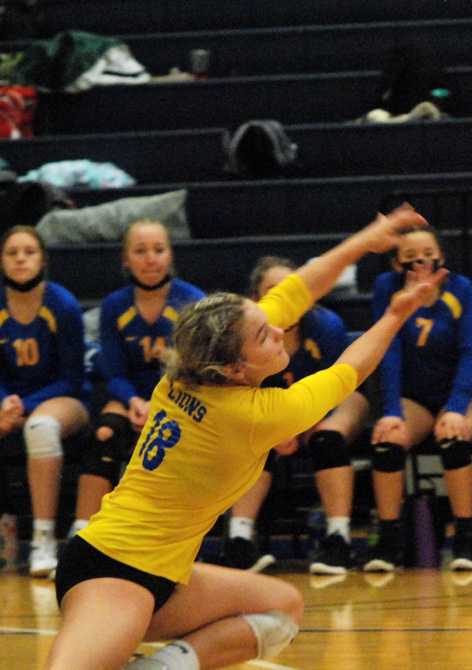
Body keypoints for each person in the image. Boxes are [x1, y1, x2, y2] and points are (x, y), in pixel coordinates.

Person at [45, 205, 444, 670]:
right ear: (236, 368)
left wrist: (369, 237)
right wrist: (397, 313)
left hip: (164, 573)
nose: (279, 331)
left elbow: (300, 288)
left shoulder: (191, 369)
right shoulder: (254, 414)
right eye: (266, 336)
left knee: (280, 608)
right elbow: (350, 369)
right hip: (113, 568)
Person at [219, 256, 369, 576]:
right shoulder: (243, 338)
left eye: (291, 288)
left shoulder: (326, 326)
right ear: (257, 300)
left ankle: (338, 538)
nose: (284, 297)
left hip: (325, 408)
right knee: (253, 440)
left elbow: (340, 384)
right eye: (273, 290)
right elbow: (240, 395)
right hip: (270, 416)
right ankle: (239, 541)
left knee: (330, 437)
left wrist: (304, 423)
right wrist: (276, 430)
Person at [364, 224, 472, 573]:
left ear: (441, 259)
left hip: (462, 394)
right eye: (409, 258)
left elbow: (469, 353)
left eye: (428, 256)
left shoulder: (460, 290)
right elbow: (386, 353)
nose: (420, 263)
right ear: (395, 264)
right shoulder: (386, 290)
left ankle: (466, 535)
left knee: (453, 435)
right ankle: (389, 539)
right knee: (388, 439)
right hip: (414, 397)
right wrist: (390, 412)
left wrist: (455, 408)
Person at [72, 219, 204, 539]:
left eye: (158, 250)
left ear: (170, 255)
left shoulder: (193, 302)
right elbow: (114, 372)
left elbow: (197, 372)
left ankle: (170, 535)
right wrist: (133, 401)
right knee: (103, 434)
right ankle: (83, 534)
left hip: (181, 398)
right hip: (130, 397)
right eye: (140, 251)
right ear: (126, 260)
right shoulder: (115, 306)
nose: (150, 258)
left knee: (175, 439)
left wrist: (158, 407)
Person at [0, 225, 89, 578]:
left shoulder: (62, 305)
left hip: (64, 401)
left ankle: (43, 538)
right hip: (13, 403)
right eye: (12, 253)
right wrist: (5, 402)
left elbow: (71, 377)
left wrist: (20, 406)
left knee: (40, 427)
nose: (21, 259)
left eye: (29, 252)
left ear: (43, 259)